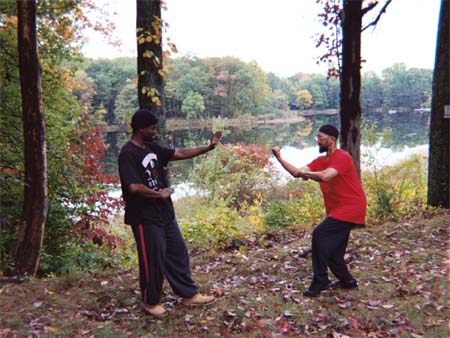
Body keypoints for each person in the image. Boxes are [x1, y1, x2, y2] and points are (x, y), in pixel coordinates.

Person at [118, 108, 222, 317]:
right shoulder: (128, 153)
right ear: (140, 129)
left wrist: (208, 148)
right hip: (144, 216)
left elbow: (179, 153)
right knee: (153, 259)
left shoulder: (151, 147)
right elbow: (134, 187)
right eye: (151, 128)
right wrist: (160, 194)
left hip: (165, 214)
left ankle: (188, 294)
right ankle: (150, 302)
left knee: (178, 252)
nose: (155, 131)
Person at [272, 124, 366, 297]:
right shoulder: (320, 161)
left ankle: (320, 279)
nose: (317, 141)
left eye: (320, 137)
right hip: (337, 209)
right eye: (317, 137)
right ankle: (348, 282)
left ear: (331, 139)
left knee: (320, 234)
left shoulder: (342, 157)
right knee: (334, 253)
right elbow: (296, 173)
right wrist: (279, 158)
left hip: (351, 207)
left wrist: (307, 174)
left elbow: (325, 176)